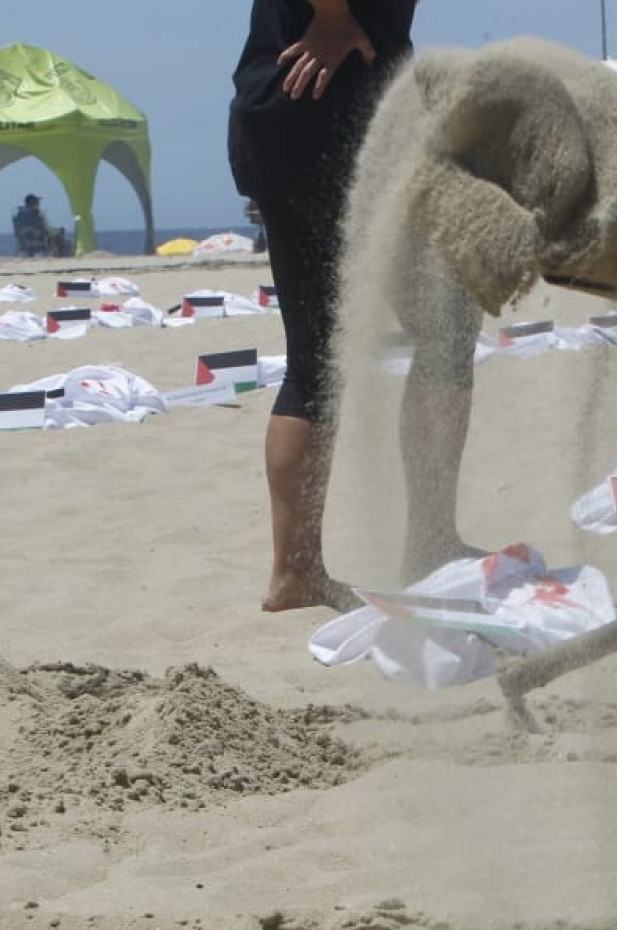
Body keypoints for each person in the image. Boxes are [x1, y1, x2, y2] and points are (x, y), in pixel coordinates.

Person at [230, 0, 425, 612]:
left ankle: (296, 572)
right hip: (333, 117)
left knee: (314, 362)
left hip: (280, 116)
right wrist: (336, 17)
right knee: (444, 324)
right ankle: (432, 541)